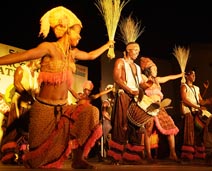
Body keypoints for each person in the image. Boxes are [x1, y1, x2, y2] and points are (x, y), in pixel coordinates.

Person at [0, 6, 114, 169]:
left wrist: (108, 45)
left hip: (63, 109)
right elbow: (21, 56)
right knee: (38, 162)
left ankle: (78, 159)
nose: (80, 37)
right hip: (44, 110)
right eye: (77, 32)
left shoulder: (72, 54)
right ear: (67, 30)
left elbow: (90, 55)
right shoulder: (49, 48)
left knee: (90, 112)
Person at [107, 42, 149, 165]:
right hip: (124, 95)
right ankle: (115, 156)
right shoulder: (120, 62)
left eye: (138, 50)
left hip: (135, 99)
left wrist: (147, 85)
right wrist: (130, 90)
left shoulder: (137, 67)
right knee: (121, 125)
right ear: (128, 50)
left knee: (135, 126)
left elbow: (139, 84)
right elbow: (117, 78)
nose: (137, 52)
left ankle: (131, 157)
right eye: (135, 50)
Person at [139, 57, 183, 162]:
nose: (156, 71)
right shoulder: (144, 77)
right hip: (148, 107)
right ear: (148, 69)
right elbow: (141, 87)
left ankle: (173, 154)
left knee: (170, 128)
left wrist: (180, 75)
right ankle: (148, 155)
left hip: (159, 108)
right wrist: (147, 84)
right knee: (148, 130)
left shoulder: (157, 80)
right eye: (154, 69)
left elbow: (169, 78)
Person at [0, 59, 40, 165]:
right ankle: (8, 157)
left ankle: (23, 156)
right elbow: (17, 84)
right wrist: (27, 96)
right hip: (18, 102)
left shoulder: (36, 75)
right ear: (35, 59)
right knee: (13, 131)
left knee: (26, 132)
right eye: (40, 61)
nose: (40, 64)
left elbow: (36, 91)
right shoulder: (21, 69)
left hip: (29, 105)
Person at [180, 69, 210, 161]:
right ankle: (187, 153)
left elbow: (200, 101)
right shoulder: (183, 86)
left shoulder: (197, 88)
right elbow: (184, 99)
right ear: (187, 76)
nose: (194, 77)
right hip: (188, 111)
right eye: (192, 75)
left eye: (195, 75)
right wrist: (197, 107)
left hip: (196, 111)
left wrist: (208, 100)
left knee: (199, 131)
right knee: (190, 132)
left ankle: (199, 153)